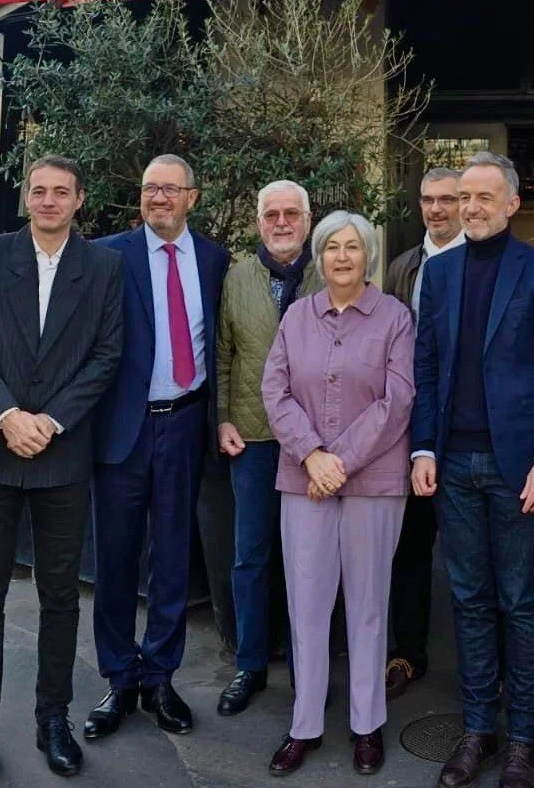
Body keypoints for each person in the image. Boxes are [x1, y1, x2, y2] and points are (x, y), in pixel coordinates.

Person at [0, 156, 123, 785]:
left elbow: (107, 355)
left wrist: (49, 422)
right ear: (24, 198)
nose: (48, 201)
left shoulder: (103, 267)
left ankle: (53, 720)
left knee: (58, 595)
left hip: (61, 453)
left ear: (80, 200)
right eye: (38, 191)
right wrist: (7, 416)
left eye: (61, 192)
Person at [411, 151, 534, 788]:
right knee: (469, 598)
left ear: (511, 204)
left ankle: (524, 741)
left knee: (520, 601)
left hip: (519, 466)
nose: (470, 208)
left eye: (484, 197)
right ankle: (479, 728)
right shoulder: (442, 272)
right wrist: (422, 447)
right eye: (463, 198)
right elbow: (426, 368)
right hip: (452, 463)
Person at [262, 211, 415, 777]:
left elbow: (396, 401)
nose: (342, 257)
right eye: (332, 248)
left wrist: (340, 461)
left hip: (373, 481)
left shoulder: (394, 317)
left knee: (369, 604)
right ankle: (304, 724)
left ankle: (367, 725)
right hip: (304, 479)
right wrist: (313, 455)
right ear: (319, 257)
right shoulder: (297, 316)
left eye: (353, 247)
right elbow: (273, 390)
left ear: (367, 256)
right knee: (306, 604)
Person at [85, 155, 230, 741]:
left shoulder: (217, 260)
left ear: (192, 197)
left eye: (170, 189)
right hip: (122, 427)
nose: (159, 198)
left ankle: (160, 677)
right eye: (150, 189)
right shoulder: (106, 256)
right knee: (116, 558)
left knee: (172, 556)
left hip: (185, 424)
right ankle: (120, 678)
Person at [215, 180, 320, 716]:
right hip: (254, 439)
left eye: (291, 213)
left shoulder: (329, 271)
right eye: (271, 214)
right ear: (259, 222)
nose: (281, 222)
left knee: (311, 561)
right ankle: (250, 664)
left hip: (315, 444)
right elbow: (224, 355)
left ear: (307, 219)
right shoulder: (237, 278)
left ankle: (310, 667)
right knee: (250, 556)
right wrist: (223, 418)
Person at [383, 166, 465, 700]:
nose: (436, 210)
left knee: (467, 553)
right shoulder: (402, 267)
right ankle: (406, 653)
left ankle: (481, 667)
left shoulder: (479, 260)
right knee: (408, 547)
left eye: (447, 200)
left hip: (463, 430)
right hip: (408, 429)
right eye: (427, 200)